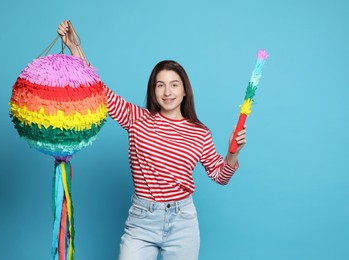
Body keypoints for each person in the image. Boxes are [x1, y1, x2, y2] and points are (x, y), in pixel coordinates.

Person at [58, 20, 246, 260]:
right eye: (161, 85)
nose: (167, 92)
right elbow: (98, 90)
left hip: (183, 221)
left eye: (174, 85)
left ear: (185, 90)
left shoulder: (200, 132)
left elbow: (220, 177)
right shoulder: (136, 118)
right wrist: (75, 48)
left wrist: (233, 154)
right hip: (142, 219)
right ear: (153, 90)